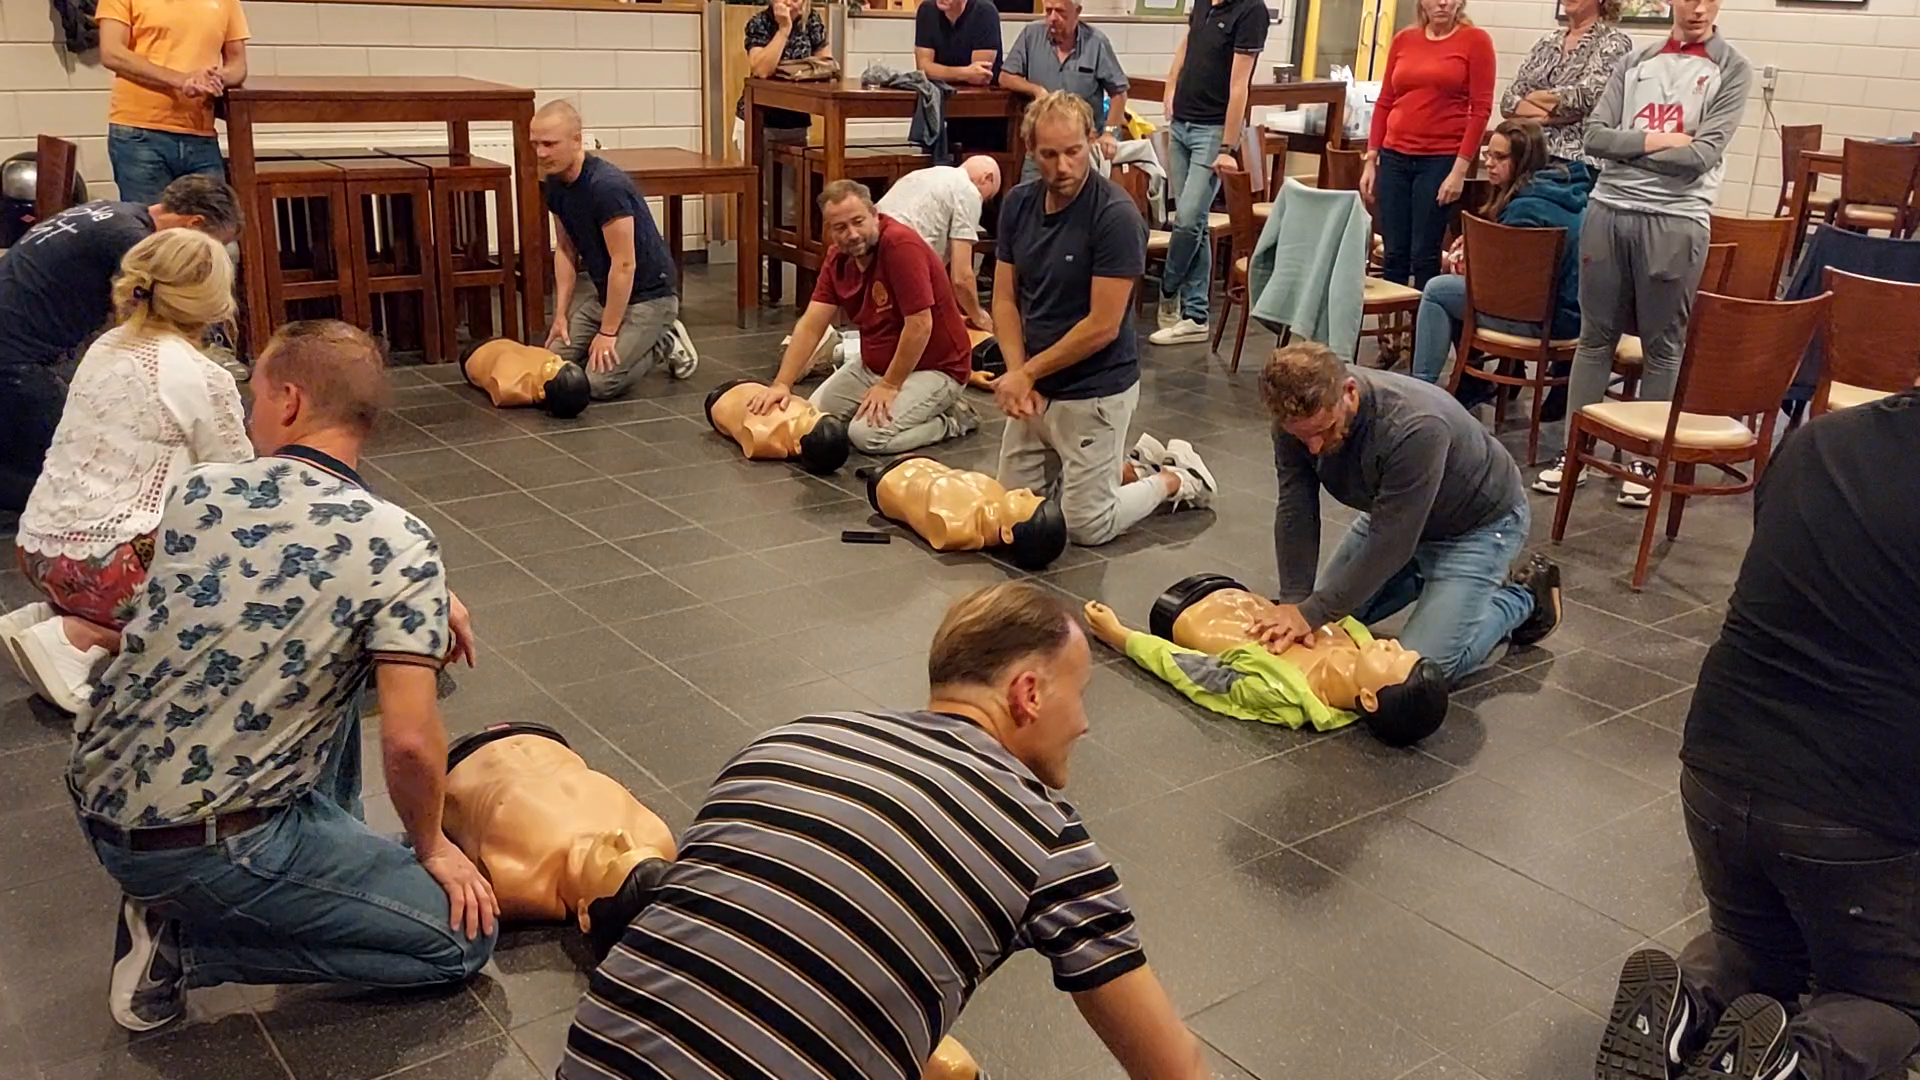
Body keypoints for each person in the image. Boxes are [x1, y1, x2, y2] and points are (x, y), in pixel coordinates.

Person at [560, 582, 1210, 1080]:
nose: (1085, 723)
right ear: (1029, 693)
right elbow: (1172, 1069)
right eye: (1081, 694)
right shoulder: (1048, 838)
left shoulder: (794, 737)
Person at [71, 320, 496, 1034]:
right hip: (208, 847)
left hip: (103, 802)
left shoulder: (199, 492)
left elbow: (254, 592)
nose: (248, 415)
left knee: (334, 647)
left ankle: (317, 859)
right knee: (461, 939)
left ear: (290, 402)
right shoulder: (398, 543)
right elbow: (409, 743)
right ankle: (185, 948)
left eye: (254, 396)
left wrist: (423, 597)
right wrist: (432, 845)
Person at [1593, 388, 1920, 1080]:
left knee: (1758, 948)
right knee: (1887, 997)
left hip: (1718, 761)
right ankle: (1796, 1066)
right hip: (1856, 808)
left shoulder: (1818, 441)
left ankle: (1682, 1008)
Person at [3, 229, 252, 714]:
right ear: (217, 303)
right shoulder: (203, 376)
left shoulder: (107, 345)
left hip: (37, 548)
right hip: (105, 567)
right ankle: (81, 634)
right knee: (235, 583)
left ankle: (50, 613)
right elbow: (237, 484)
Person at [1533, 0, 1749, 505]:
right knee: (1595, 338)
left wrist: (1629, 148)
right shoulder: (1636, 61)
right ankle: (1575, 453)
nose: (1698, 8)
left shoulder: (1732, 68)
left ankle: (1645, 460)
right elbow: (1595, 137)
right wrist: (1659, 139)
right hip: (1609, 210)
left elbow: (1701, 156)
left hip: (1675, 219)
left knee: (1662, 345)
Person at [1256, 341, 1561, 682]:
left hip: (1476, 527)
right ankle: (1433, 587)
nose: (1314, 447)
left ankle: (1523, 597)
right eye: (1303, 437)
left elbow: (1391, 544)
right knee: (1329, 623)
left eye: (1324, 431)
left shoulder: (1414, 425)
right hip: (1396, 515)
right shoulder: (1293, 421)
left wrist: (1312, 612)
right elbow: (1296, 506)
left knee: (1415, 670)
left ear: (1349, 393)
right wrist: (1295, 602)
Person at [993, 92, 1215, 546]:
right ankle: (1130, 466)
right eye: (1049, 154)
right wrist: (1018, 374)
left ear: (1092, 141)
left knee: (1083, 527)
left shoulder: (1115, 216)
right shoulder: (1018, 204)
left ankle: (1176, 478)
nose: (1062, 166)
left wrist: (1027, 373)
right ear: (1031, 151)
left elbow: (1102, 326)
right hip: (1036, 384)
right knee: (1011, 512)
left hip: (1095, 389)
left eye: (1073, 151)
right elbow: (1004, 298)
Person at [0, 175, 242, 513]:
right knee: (79, 473)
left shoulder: (115, 212)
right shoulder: (135, 242)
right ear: (194, 225)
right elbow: (154, 323)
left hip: (22, 344)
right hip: (18, 360)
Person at [751, 180, 975, 455]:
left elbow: (919, 325)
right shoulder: (837, 258)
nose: (853, 234)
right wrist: (782, 384)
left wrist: (889, 385)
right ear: (830, 231)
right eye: (840, 228)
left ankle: (953, 420)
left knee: (867, 437)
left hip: (935, 368)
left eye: (858, 222)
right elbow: (811, 325)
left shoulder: (901, 246)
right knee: (813, 419)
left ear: (874, 215)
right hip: (873, 365)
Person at [1084, 579, 1450, 746]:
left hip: (1182, 613)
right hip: (1233, 590)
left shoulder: (1282, 694)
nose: (1393, 644)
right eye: (1403, 650)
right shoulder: (1357, 639)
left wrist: (1121, 636)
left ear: (1369, 699)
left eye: (1394, 659)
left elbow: (1191, 672)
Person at [1411, 119, 1592, 417]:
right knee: (1456, 292)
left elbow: (1503, 285)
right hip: (1570, 314)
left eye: (1499, 157)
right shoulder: (1562, 192)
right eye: (1488, 154)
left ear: (1523, 161)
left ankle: (1421, 391)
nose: (1489, 163)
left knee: (1436, 291)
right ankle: (1471, 380)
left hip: (1545, 319)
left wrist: (1458, 261)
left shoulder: (1525, 209)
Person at [533, 100, 699, 402]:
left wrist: (608, 332)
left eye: (549, 144)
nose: (541, 153)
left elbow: (624, 264)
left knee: (598, 383)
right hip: (607, 296)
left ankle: (664, 341)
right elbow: (565, 249)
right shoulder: (553, 183)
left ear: (576, 140)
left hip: (650, 298)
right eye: (536, 144)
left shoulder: (606, 186)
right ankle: (625, 342)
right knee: (550, 367)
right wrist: (560, 316)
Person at [1147, 0, 1268, 347]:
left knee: (1187, 220)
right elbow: (1189, 41)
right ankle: (1196, 316)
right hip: (1182, 124)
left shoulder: (1251, 11)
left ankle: (1169, 287)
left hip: (1212, 133)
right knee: (1195, 222)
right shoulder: (1202, 3)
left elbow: (1240, 85)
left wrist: (1228, 147)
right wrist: (1170, 84)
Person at [1360, 0, 1496, 292]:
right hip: (1394, 156)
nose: (1443, 3)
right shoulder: (1404, 39)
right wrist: (1371, 158)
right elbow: (1385, 101)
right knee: (1394, 250)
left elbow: (1481, 110)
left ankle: (1422, 318)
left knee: (1424, 252)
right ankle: (1391, 319)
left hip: (1439, 158)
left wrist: (1459, 170)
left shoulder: (1475, 41)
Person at [96, 0, 249, 205]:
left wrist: (215, 78)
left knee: (214, 220)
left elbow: (238, 64)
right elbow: (112, 53)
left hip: (200, 134)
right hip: (140, 134)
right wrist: (179, 79)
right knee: (152, 222)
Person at [999, 0, 1130, 181]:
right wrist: (1036, 90)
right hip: (1042, 144)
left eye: (1060, 12)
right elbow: (1005, 77)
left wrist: (1109, 132)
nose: (1053, 18)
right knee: (1031, 195)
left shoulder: (1096, 42)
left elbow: (1119, 93)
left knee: (1081, 196)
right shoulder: (1031, 35)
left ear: (1077, 12)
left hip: (1081, 147)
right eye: (1048, 11)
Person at [1500, 0, 1634, 165]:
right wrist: (1551, 118)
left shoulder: (1613, 42)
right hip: (1527, 152)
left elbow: (1585, 98)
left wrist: (1531, 97)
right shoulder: (1547, 42)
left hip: (1574, 158)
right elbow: (1507, 101)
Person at [876, 157, 1003, 331]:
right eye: (988, 197)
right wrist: (979, 316)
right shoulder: (968, 191)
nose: (983, 203)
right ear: (987, 178)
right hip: (901, 258)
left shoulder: (922, 174)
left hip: (874, 252)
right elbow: (961, 278)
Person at [914, 0, 1006, 154]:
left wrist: (939, 71)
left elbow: (979, 75)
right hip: (943, 107)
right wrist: (964, 72)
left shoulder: (984, 11)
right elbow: (923, 68)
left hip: (983, 113)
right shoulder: (927, 10)